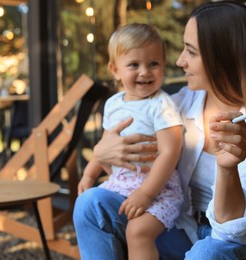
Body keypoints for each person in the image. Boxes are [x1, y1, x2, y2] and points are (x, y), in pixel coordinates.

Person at [73, 1, 246, 259]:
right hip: (188, 233)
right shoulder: (182, 103)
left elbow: (234, 233)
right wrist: (102, 151)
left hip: (245, 247)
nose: (179, 61)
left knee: (207, 252)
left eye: (191, 52)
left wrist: (227, 168)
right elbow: (138, 129)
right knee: (90, 205)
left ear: (223, 57)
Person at [74, 23, 184, 260]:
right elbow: (105, 145)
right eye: (134, 65)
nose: (145, 72)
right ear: (115, 70)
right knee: (84, 205)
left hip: (159, 192)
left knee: (138, 231)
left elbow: (169, 153)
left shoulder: (162, 105)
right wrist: (89, 175)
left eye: (153, 64)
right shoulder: (114, 104)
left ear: (163, 66)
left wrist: (146, 194)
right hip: (120, 186)